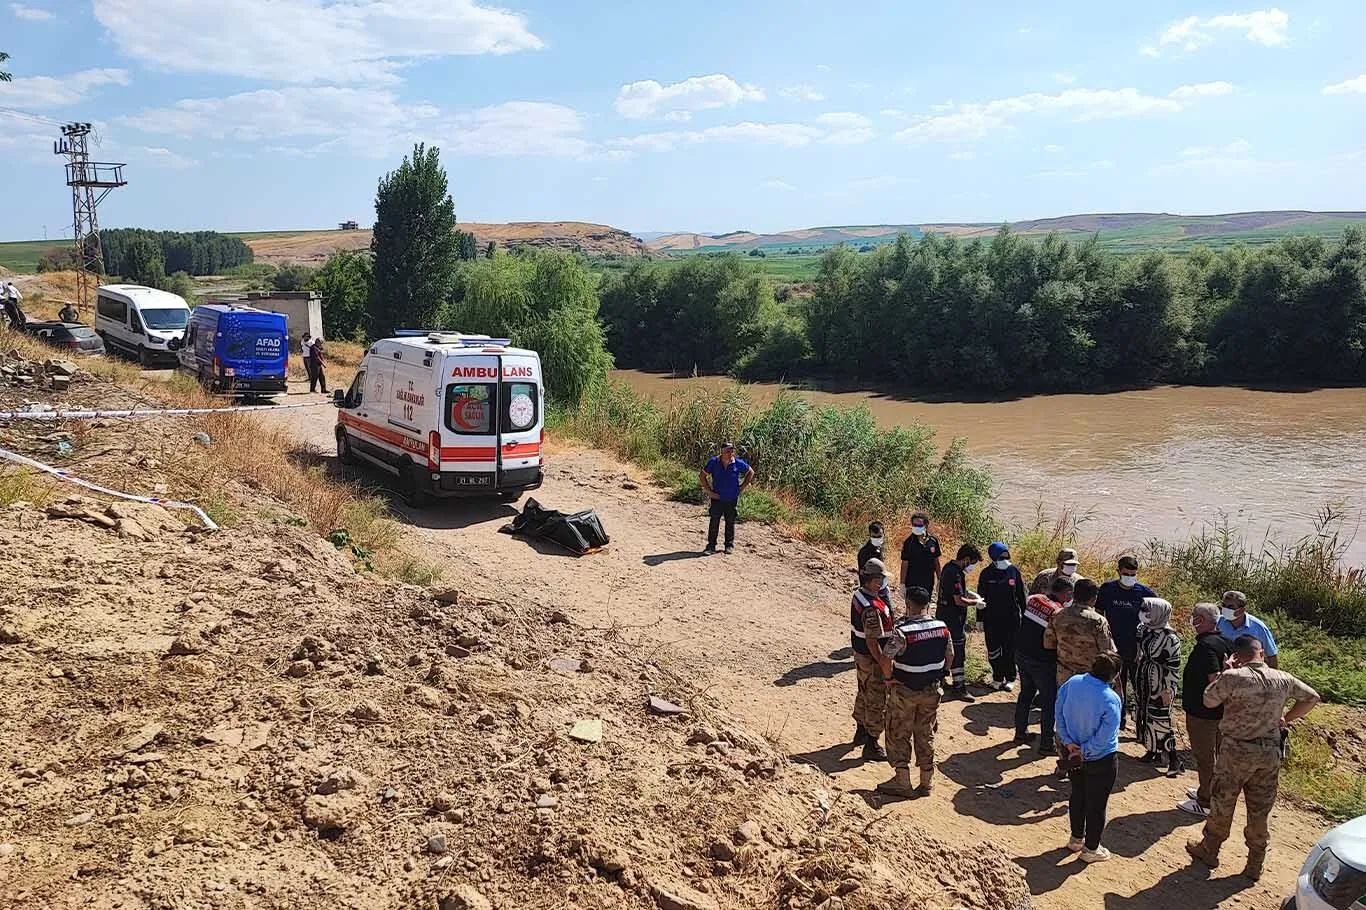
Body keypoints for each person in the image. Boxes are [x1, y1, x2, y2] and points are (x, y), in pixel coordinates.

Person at [1186, 635, 1321, 881]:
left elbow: (1209, 700)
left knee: (1222, 803)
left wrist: (1226, 671)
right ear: (1260, 653)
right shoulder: (1283, 678)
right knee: (1259, 809)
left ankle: (1210, 850)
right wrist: (1286, 719)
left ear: (1237, 655)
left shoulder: (1233, 677)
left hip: (1235, 752)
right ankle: (1254, 864)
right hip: (1269, 753)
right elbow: (1312, 698)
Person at [876, 586, 952, 797]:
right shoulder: (942, 627)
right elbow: (950, 655)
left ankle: (902, 781)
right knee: (925, 732)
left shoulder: (903, 631)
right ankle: (926, 781)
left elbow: (885, 658)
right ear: (928, 604)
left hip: (905, 691)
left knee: (898, 732)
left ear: (908, 605)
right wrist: (940, 673)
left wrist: (889, 679)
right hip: (932, 691)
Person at [1056, 652, 1124, 864]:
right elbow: (1106, 736)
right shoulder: (1111, 698)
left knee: (1078, 795)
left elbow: (1058, 712)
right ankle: (1091, 849)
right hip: (1100, 759)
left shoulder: (1072, 682)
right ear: (1114, 676)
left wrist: (1069, 743)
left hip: (1071, 752)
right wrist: (1084, 751)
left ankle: (1076, 838)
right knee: (1097, 803)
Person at [1178, 603, 1233, 818]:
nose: (1192, 620)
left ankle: (1205, 801)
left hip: (1204, 712)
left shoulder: (1206, 647)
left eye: (1194, 617)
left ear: (1202, 620)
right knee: (1219, 754)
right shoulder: (1226, 642)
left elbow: (1214, 678)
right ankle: (1210, 791)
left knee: (1205, 756)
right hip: (1222, 710)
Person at [1096, 555, 1158, 731]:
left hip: (1137, 650)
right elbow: (1099, 614)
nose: (1129, 577)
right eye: (1126, 573)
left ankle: (1141, 725)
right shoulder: (1108, 589)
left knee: (1140, 689)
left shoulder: (1145, 593)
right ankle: (1119, 720)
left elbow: (1159, 615)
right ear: (1118, 572)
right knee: (1115, 686)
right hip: (1114, 648)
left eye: (1133, 574)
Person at [1015, 575, 1071, 756]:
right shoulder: (1058, 613)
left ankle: (1020, 733)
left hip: (1022, 654)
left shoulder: (1033, 599)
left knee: (1025, 694)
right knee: (1049, 703)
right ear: (1066, 593)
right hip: (1043, 662)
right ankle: (1046, 744)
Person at [849, 558, 895, 760]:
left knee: (863, 691)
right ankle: (872, 743)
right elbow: (872, 641)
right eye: (881, 579)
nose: (883, 583)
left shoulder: (859, 595)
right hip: (872, 659)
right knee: (877, 700)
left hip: (862, 657)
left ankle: (860, 730)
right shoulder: (871, 607)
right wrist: (884, 665)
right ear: (873, 581)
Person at [1134, 597, 1182, 776]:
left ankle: (1174, 759)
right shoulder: (1144, 630)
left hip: (1160, 684)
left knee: (1161, 719)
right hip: (1144, 679)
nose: (1144, 613)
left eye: (1147, 610)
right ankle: (1152, 750)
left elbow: (1174, 666)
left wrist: (1167, 689)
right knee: (1146, 715)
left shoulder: (1170, 638)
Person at [1045, 576, 1116, 688]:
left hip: (1064, 675)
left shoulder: (1058, 615)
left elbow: (1048, 644)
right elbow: (1107, 652)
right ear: (1094, 598)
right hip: (1090, 678)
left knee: (1066, 704)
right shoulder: (1098, 621)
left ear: (1073, 595)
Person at [976, 541, 1026, 691]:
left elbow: (1021, 597)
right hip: (992, 619)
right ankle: (997, 677)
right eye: (1001, 557)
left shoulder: (1013, 571)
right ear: (993, 558)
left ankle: (1010, 678)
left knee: (1010, 650)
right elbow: (981, 598)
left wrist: (1025, 616)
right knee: (993, 650)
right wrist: (979, 618)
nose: (1004, 560)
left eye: (1006, 556)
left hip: (1011, 619)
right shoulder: (986, 574)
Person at [937, 543, 983, 700]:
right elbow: (958, 600)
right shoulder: (955, 573)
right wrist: (975, 603)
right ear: (967, 559)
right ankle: (959, 687)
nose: (972, 566)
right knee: (957, 652)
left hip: (944, 616)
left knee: (944, 650)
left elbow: (954, 591)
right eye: (973, 562)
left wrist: (969, 593)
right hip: (953, 619)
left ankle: (941, 680)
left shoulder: (948, 568)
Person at [699, 442, 754, 555]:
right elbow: (702, 476)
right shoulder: (714, 462)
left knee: (730, 521)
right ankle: (711, 546)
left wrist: (741, 487)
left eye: (731, 451)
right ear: (722, 452)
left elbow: (750, 472)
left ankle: (729, 545)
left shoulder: (737, 463)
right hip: (717, 497)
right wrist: (709, 491)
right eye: (727, 451)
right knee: (714, 521)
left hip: (731, 498)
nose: (730, 453)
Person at [1216, 591, 1278, 669]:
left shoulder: (1258, 628)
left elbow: (1271, 655)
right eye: (1224, 606)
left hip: (1251, 675)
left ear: (1242, 610)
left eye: (1230, 607)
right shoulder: (1218, 622)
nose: (1225, 609)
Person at [899, 512, 942, 602]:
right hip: (912, 581)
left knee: (925, 606)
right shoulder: (908, 543)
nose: (916, 527)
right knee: (911, 607)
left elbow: (936, 561)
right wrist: (902, 584)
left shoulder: (933, 541)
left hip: (928, 581)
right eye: (914, 525)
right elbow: (904, 564)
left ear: (925, 525)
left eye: (919, 525)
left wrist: (939, 579)